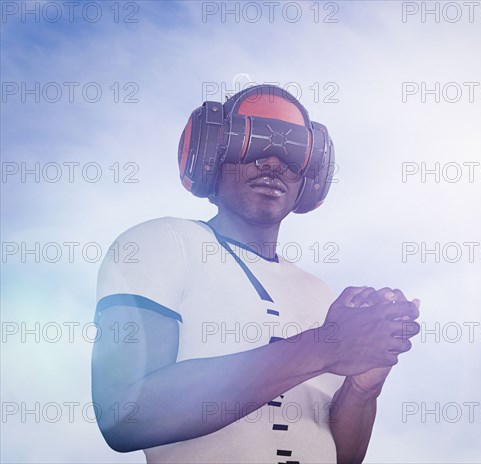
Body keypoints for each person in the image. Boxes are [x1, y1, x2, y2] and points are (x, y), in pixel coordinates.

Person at [91, 84, 421, 464]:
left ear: (312, 176)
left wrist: (363, 389)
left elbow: (343, 456)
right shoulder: (160, 242)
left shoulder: (320, 293)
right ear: (210, 156)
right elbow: (123, 414)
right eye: (251, 143)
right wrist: (326, 346)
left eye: (294, 153)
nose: (273, 163)